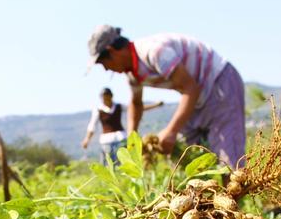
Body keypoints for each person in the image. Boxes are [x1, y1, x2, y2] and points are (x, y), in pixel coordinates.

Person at [87, 25, 246, 167]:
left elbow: (190, 88)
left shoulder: (153, 52)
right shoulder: (132, 75)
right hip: (197, 97)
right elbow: (136, 104)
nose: (107, 70)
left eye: (103, 64)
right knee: (188, 155)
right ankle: (204, 198)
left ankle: (233, 198)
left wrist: (171, 131)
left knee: (230, 162)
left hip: (220, 84)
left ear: (112, 51)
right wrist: (132, 140)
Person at [82, 87, 163, 164]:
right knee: (109, 164)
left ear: (111, 96)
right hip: (106, 141)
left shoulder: (119, 106)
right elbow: (92, 125)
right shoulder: (98, 110)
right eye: (104, 97)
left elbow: (136, 109)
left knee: (124, 163)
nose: (106, 99)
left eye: (107, 96)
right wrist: (87, 139)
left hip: (121, 138)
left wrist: (155, 105)